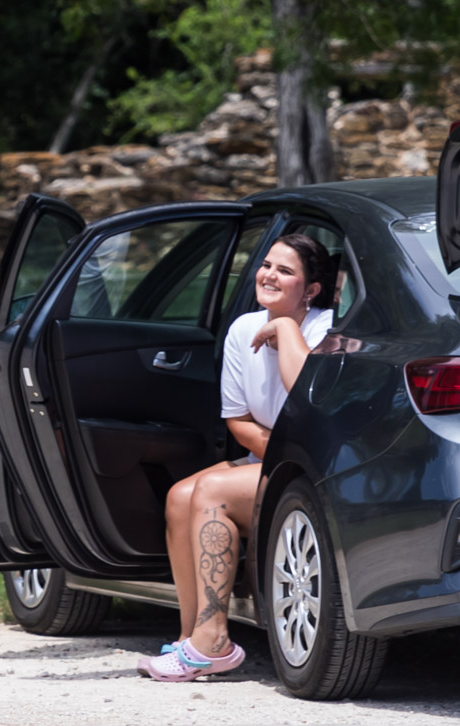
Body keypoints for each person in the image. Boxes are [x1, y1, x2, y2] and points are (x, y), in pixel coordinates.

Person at [137, 233, 337, 682]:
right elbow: (239, 418)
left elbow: (309, 397)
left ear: (311, 291)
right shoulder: (244, 328)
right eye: (266, 265)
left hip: (317, 466)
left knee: (211, 491)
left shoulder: (324, 329)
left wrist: (286, 329)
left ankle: (214, 640)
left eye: (285, 271)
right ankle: (192, 639)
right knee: (178, 496)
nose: (268, 275)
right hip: (273, 458)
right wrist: (276, 455)